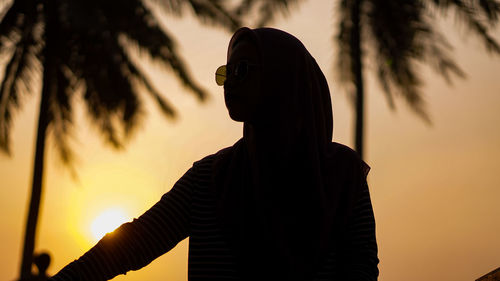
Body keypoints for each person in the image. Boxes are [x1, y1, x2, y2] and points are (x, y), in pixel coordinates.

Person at [49, 27, 379, 281]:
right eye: (226, 72)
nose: (229, 83)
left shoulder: (342, 178)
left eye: (243, 70)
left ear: (284, 79)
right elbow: (134, 243)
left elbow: (361, 271)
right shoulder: (210, 179)